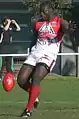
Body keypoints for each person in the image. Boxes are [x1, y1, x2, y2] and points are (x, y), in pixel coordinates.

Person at [17, 1, 74, 118]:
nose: (42, 15)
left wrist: (70, 28)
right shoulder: (38, 23)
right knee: (21, 80)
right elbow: (34, 38)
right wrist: (30, 50)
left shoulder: (59, 21)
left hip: (48, 54)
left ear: (50, 11)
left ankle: (28, 110)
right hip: (35, 52)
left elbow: (67, 28)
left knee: (36, 77)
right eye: (40, 12)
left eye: (44, 12)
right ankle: (34, 95)